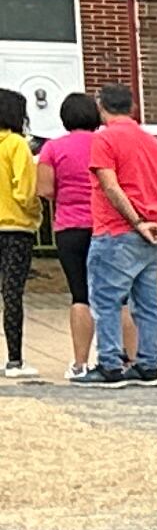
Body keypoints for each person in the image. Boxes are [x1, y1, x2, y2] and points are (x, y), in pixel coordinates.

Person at [75, 84, 157, 386]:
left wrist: (135, 220)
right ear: (132, 107)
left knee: (106, 299)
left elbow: (110, 185)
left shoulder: (104, 139)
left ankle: (110, 364)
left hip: (116, 230)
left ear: (101, 106)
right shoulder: (155, 143)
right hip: (153, 231)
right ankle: (148, 363)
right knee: (147, 301)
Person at [41, 94, 99, 378]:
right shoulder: (105, 144)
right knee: (117, 296)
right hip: (105, 224)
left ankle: (80, 362)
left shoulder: (53, 148)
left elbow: (45, 190)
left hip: (70, 226)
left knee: (81, 294)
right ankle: (127, 358)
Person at [0, 93, 34, 378]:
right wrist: (36, 215)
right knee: (12, 294)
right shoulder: (16, 144)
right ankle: (14, 359)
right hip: (15, 228)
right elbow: (24, 190)